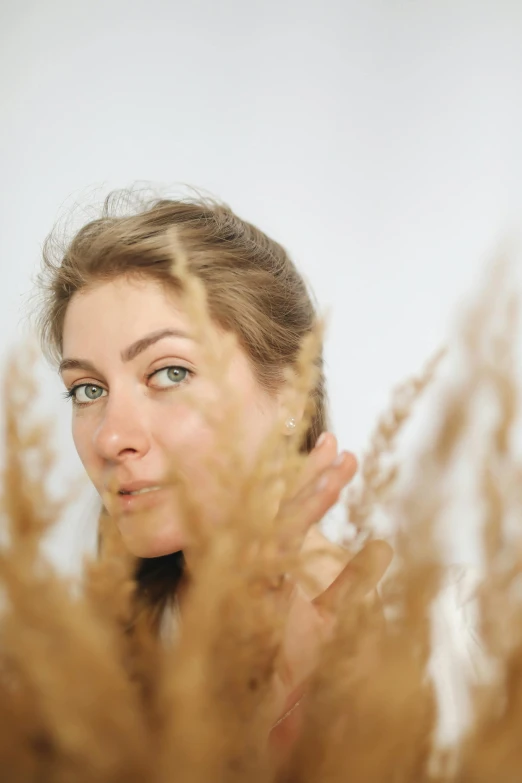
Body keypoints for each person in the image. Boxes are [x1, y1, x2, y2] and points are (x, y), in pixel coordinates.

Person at [34, 189, 393, 752]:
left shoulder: (472, 639)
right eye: (87, 389)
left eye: (170, 373)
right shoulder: (71, 683)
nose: (110, 437)